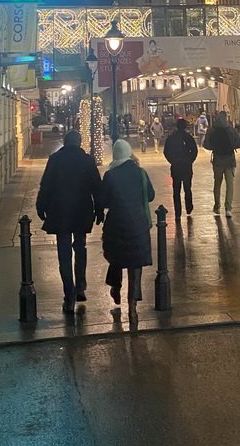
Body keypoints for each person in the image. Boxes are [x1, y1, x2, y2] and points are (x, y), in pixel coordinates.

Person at [35, 130, 102, 314]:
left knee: (64, 253)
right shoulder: (87, 160)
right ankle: (80, 285)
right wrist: (99, 209)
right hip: (82, 211)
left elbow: (46, 184)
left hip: (60, 211)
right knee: (80, 247)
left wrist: (41, 206)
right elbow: (97, 186)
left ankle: (69, 294)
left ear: (65, 142)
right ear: (79, 143)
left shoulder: (55, 159)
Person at [98, 139, 155, 325]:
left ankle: (115, 288)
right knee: (135, 265)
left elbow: (103, 201)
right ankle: (132, 307)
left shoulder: (110, 175)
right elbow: (151, 195)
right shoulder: (140, 173)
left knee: (117, 258)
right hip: (138, 224)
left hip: (116, 224)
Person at [203, 110, 240, 218]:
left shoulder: (212, 130)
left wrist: (215, 147)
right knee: (230, 185)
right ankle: (228, 208)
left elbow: (206, 145)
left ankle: (217, 206)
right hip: (230, 160)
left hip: (218, 160)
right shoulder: (230, 129)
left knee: (217, 184)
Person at [163, 117, 199, 218]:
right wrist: (190, 160)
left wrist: (172, 161)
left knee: (176, 190)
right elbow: (195, 151)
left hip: (176, 166)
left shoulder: (171, 138)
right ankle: (189, 207)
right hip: (186, 166)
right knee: (187, 188)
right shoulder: (188, 137)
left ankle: (177, 212)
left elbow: (166, 152)